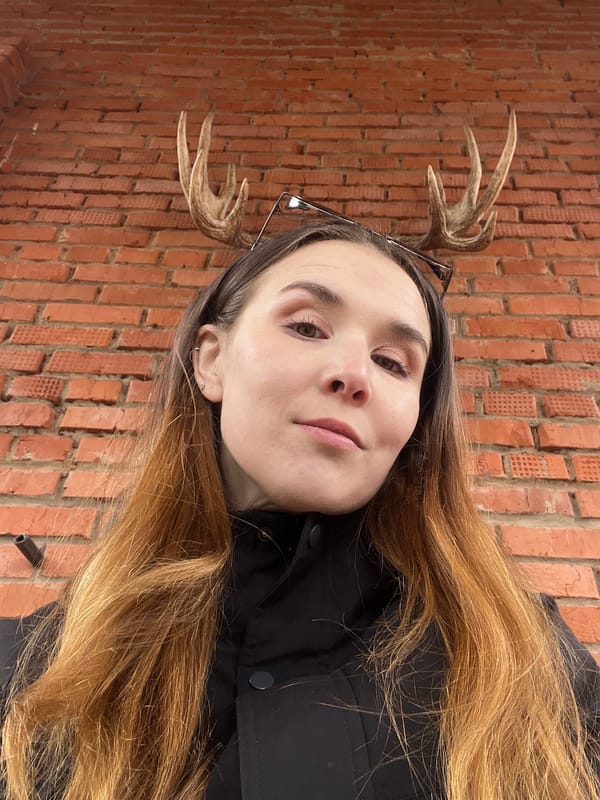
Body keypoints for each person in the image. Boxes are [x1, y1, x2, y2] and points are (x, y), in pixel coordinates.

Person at [1, 117, 599, 799]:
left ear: (415, 423)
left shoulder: (525, 661)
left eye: (394, 362)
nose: (355, 375)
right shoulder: (29, 675)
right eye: (307, 326)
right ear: (212, 359)